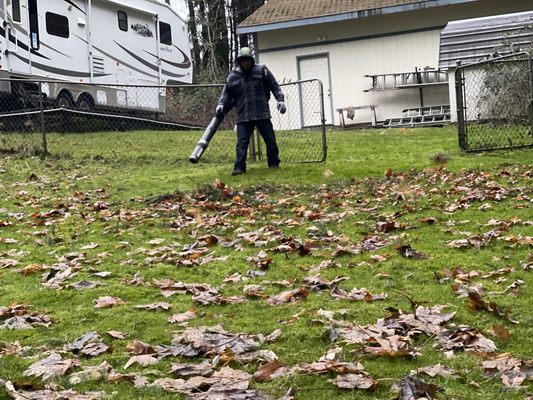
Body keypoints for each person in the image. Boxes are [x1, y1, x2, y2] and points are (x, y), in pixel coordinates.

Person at [216, 47, 286, 176]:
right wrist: (220, 105)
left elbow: (274, 86)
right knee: (242, 144)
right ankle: (239, 167)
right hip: (244, 116)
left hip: (262, 114)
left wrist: (280, 100)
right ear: (239, 61)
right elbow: (226, 95)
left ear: (252, 60)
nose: (246, 63)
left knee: (270, 141)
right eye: (243, 61)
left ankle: (274, 163)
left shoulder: (262, 71)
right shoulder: (233, 76)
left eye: (248, 60)